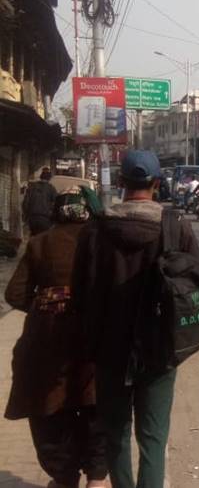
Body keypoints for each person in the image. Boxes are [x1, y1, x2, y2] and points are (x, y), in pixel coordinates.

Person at [72, 150, 199, 488]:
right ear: (157, 184)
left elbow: (79, 294)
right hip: (159, 352)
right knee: (154, 437)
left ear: (120, 182)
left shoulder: (94, 230)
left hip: (108, 351)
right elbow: (198, 285)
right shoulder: (176, 226)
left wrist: (87, 347)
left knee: (115, 435)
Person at [5, 187, 108, 488]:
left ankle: (64, 479)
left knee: (48, 407)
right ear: (87, 212)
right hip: (94, 338)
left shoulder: (38, 244)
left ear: (55, 212)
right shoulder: (101, 243)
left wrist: (44, 305)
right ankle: (98, 480)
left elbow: (14, 294)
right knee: (96, 404)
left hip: (47, 339)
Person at [22, 167, 58, 236]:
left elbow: (25, 202)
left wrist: (25, 217)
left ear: (41, 176)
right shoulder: (51, 189)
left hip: (32, 218)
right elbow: (56, 204)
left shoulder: (32, 187)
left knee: (33, 237)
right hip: (45, 219)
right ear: (49, 178)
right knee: (43, 239)